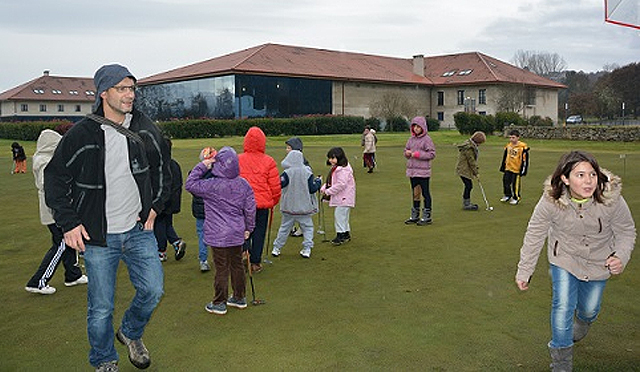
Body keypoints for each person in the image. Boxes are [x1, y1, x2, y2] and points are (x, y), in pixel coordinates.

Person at [44, 64, 171, 371]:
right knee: (101, 307)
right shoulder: (81, 134)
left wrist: (155, 207)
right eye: (122, 89)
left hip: (139, 229)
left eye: (132, 89)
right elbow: (55, 178)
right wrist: (69, 223)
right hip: (99, 236)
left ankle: (129, 332)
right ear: (104, 93)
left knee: (153, 290)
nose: (129, 95)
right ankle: (103, 359)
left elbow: (164, 170)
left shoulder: (144, 127)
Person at [515, 150, 636, 371]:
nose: (588, 181)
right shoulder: (551, 199)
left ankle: (582, 323)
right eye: (580, 175)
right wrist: (524, 271)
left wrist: (620, 256)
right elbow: (535, 233)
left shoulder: (611, 198)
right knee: (562, 306)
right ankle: (561, 363)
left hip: (599, 261)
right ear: (565, 178)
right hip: (564, 258)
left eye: (592, 174)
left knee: (589, 309)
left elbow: (627, 230)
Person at [185, 146, 256, 315]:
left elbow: (190, 184)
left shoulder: (212, 185)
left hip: (218, 234)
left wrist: (203, 165)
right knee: (237, 265)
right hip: (237, 232)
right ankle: (239, 297)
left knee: (222, 268)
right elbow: (250, 209)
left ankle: (219, 302)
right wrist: (249, 228)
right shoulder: (243, 184)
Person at [25, 128, 87, 295]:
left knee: (68, 241)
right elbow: (51, 186)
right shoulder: (45, 161)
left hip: (56, 209)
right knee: (61, 243)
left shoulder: (45, 159)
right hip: (53, 211)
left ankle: (72, 275)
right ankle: (38, 281)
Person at [238, 126, 281, 274]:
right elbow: (275, 186)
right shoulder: (268, 161)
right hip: (261, 204)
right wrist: (273, 201)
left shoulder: (238, 159)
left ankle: (244, 252)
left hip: (242, 204)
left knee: (243, 230)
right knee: (259, 232)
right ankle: (255, 261)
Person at [271, 150, 322, 258]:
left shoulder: (287, 172)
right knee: (308, 228)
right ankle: (307, 248)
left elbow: (279, 184)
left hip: (288, 207)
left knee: (284, 228)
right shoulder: (307, 172)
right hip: (304, 207)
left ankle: (276, 248)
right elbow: (312, 189)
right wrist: (318, 182)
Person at [154, 138, 187, 262]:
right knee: (167, 224)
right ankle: (176, 242)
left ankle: (161, 251)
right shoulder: (174, 164)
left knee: (159, 225)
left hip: (164, 200)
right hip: (173, 200)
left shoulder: (161, 165)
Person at [403, 116, 436, 225]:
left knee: (425, 193)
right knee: (415, 193)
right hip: (412, 171)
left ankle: (427, 215)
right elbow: (406, 151)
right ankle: (415, 215)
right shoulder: (411, 140)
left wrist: (418, 154)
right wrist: (407, 154)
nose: (416, 129)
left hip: (423, 172)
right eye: (414, 127)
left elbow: (431, 154)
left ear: (423, 127)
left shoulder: (427, 139)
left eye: (418, 127)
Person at [320, 147, 356, 245]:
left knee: (339, 216)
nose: (330, 160)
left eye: (333, 158)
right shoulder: (337, 168)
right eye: (330, 158)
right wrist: (324, 189)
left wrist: (328, 191)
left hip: (344, 197)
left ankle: (340, 235)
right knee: (343, 216)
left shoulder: (342, 169)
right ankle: (345, 233)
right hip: (344, 196)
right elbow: (332, 181)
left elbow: (341, 184)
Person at [189, 147, 217, 272]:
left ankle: (203, 260)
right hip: (212, 209)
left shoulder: (194, 173)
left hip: (200, 209)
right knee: (216, 234)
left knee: (202, 235)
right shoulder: (216, 175)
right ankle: (217, 259)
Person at [455, 131, 486, 211]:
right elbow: (471, 161)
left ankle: (467, 203)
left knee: (468, 185)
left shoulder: (470, 145)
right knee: (469, 186)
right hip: (463, 169)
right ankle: (466, 204)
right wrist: (476, 172)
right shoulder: (469, 148)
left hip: (464, 168)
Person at [285, 137, 308, 237]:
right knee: (291, 209)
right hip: (291, 190)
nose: (286, 150)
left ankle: (302, 229)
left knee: (300, 210)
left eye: (289, 148)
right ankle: (291, 226)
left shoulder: (303, 163)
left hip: (300, 191)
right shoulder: (289, 161)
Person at [500, 129, 529, 205]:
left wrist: (523, 170)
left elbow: (524, 160)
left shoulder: (522, 147)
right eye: (510, 137)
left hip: (516, 169)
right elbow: (505, 156)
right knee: (505, 182)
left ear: (518, 137)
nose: (511, 139)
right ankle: (507, 195)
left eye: (513, 137)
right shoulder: (508, 146)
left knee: (515, 185)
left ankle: (516, 197)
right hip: (508, 167)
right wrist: (503, 166)